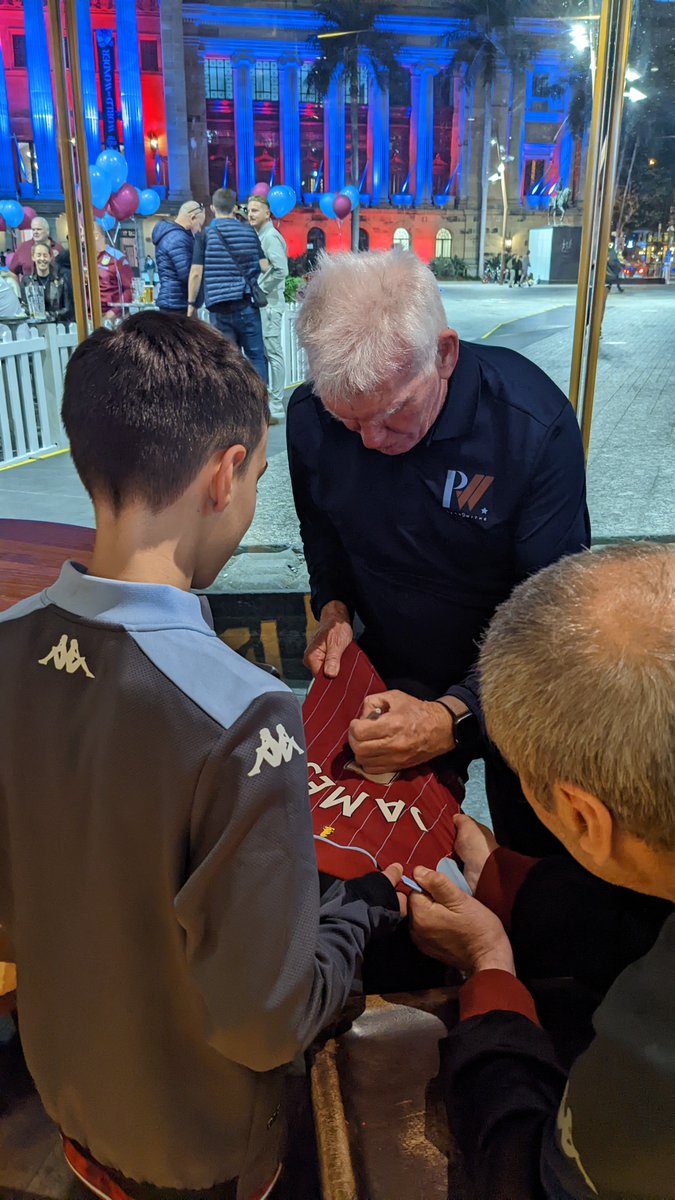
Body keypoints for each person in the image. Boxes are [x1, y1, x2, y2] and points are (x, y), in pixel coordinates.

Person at [0, 312, 402, 1200]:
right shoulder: (241, 709)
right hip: (202, 1144)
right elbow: (266, 1020)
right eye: (256, 475)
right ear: (225, 474)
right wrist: (363, 907)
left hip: (69, 1094)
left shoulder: (6, 645)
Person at [287, 250, 590, 855]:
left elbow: (553, 623)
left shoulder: (531, 426)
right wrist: (335, 609)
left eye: (393, 414)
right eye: (349, 422)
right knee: (362, 854)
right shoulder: (311, 418)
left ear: (444, 354)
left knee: (535, 864)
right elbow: (322, 533)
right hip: (391, 661)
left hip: (518, 675)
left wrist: (451, 717)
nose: (371, 442)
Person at [408, 543, 675, 1200]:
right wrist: (512, 880)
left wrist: (491, 974)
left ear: (583, 819)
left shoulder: (651, 1078)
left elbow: (531, 1180)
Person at [187, 188, 268, 381]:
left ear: (213, 208)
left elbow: (196, 273)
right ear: (235, 207)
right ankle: (260, 405)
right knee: (256, 356)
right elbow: (264, 266)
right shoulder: (249, 231)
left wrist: (191, 304)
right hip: (247, 304)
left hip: (220, 308)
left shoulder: (205, 235)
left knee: (227, 361)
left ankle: (235, 406)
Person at [248, 194, 289, 423]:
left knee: (273, 351)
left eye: (255, 210)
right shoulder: (262, 235)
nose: (251, 214)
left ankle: (276, 402)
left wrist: (260, 289)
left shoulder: (270, 237)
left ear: (267, 212)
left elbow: (281, 270)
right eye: (249, 210)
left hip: (270, 303)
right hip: (267, 302)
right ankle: (272, 401)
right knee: (267, 351)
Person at [152, 200, 205, 314]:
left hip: (171, 300)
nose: (199, 229)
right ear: (192, 218)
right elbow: (187, 274)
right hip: (177, 304)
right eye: (199, 224)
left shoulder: (169, 235)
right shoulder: (178, 238)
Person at [19, 241, 72, 322]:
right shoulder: (27, 281)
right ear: (33, 257)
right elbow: (24, 306)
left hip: (58, 324)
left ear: (50, 257)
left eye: (45, 255)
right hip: (35, 326)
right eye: (38, 255)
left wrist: (49, 316)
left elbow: (67, 308)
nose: (42, 259)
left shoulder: (61, 280)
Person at [94, 224, 133, 320]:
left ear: (96, 236)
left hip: (111, 317)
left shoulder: (117, 258)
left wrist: (114, 311)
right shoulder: (84, 260)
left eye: (83, 237)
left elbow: (129, 289)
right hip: (88, 317)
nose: (81, 241)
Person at [9, 214, 62, 279]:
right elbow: (12, 272)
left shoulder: (59, 249)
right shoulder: (23, 248)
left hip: (55, 287)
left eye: (39, 229)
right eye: (33, 229)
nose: (35, 232)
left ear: (47, 231)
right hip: (29, 287)